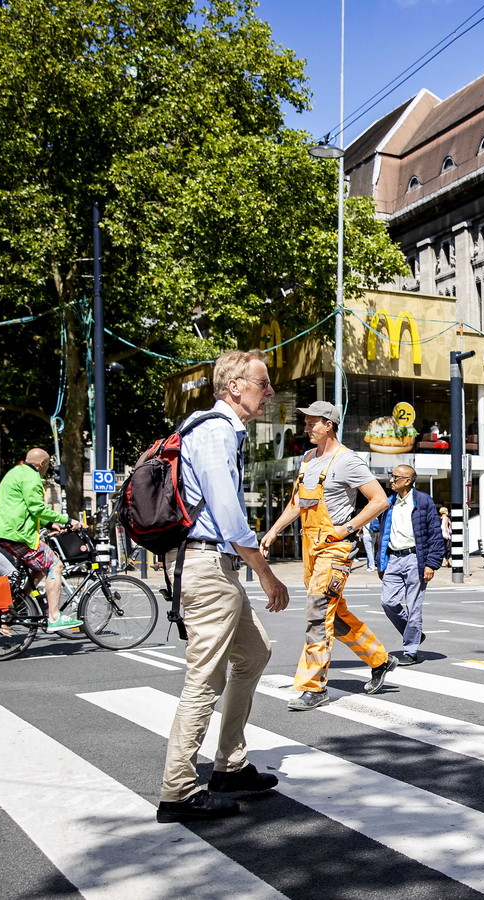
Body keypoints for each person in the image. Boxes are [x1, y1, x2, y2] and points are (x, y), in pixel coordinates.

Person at [157, 348, 290, 824]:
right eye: (262, 382)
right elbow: (229, 516)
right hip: (208, 566)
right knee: (205, 677)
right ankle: (177, 790)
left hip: (217, 566)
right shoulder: (214, 432)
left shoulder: (217, 432)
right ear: (235, 387)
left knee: (254, 653)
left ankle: (229, 766)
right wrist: (267, 573)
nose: (269, 391)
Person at [261, 400, 393, 711]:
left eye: (311, 423)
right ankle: (380, 659)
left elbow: (379, 500)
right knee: (333, 612)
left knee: (317, 613)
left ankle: (314, 686)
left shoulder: (348, 461)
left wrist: (346, 528)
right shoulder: (308, 459)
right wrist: (274, 530)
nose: (306, 428)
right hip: (311, 549)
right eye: (306, 422)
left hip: (334, 550)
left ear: (328, 425)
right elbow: (298, 503)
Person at [0, 449, 84, 631]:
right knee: (55, 565)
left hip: (1, 531)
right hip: (17, 534)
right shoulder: (32, 477)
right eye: (47, 465)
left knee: (38, 569)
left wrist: (48, 524)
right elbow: (36, 507)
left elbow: (21, 506)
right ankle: (54, 617)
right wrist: (66, 520)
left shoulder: (15, 472)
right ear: (42, 464)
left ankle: (21, 605)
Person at [376, 464, 447, 666]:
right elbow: (381, 533)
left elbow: (435, 534)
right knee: (387, 601)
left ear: (407, 481)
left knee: (414, 606)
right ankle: (413, 633)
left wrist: (431, 564)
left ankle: (410, 650)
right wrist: (382, 564)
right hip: (393, 558)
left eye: (395, 477)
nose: (391, 480)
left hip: (415, 558)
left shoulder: (423, 501)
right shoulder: (389, 502)